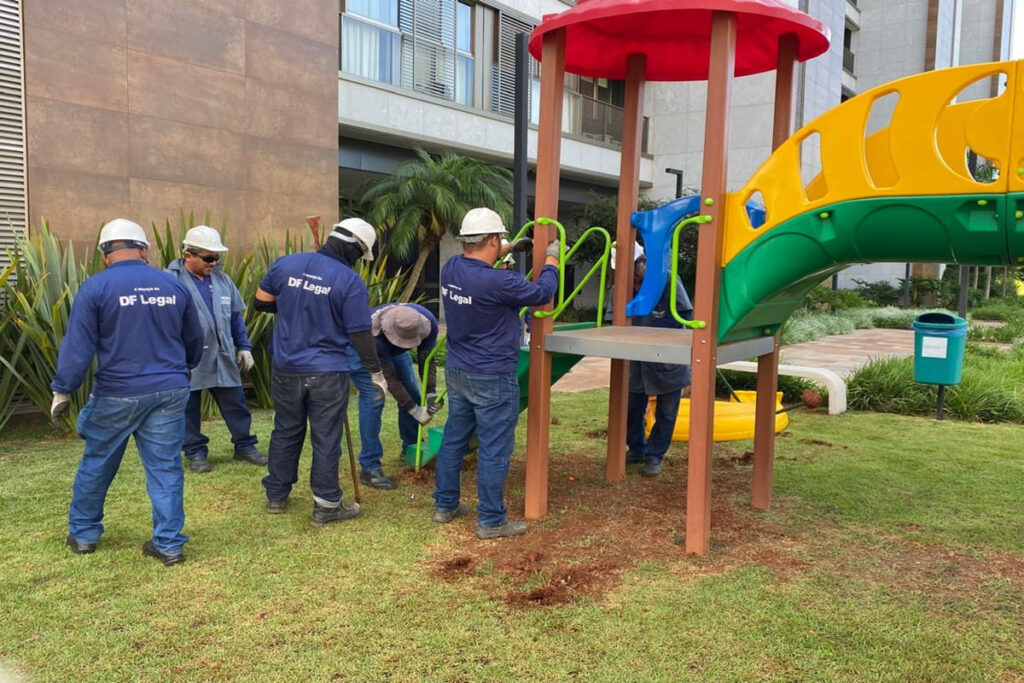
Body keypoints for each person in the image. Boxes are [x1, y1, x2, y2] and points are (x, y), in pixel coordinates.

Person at [52, 219, 204, 566]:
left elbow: (78, 347)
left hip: (118, 392)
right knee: (165, 468)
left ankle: (84, 535)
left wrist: (63, 389)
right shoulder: (174, 284)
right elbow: (194, 337)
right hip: (171, 389)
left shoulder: (95, 288)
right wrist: (186, 367)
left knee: (98, 461)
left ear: (105, 252)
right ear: (144, 249)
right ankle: (169, 545)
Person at [432, 207, 559, 539]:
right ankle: (491, 520)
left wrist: (510, 246)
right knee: (494, 448)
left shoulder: (451, 268)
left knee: (454, 439)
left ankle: (445, 505)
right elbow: (543, 294)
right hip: (492, 376)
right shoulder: (501, 281)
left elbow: (483, 256)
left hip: (458, 370)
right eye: (500, 238)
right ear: (490, 239)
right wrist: (552, 260)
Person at [254, 218, 387, 526]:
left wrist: (294, 306)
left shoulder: (285, 264)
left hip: (287, 368)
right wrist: (375, 371)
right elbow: (360, 333)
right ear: (354, 248)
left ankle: (276, 494)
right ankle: (327, 505)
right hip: (328, 371)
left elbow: (261, 303)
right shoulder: (349, 281)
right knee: (326, 437)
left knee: (286, 430)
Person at [166, 226, 266, 473]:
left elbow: (235, 317)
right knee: (188, 408)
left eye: (216, 257)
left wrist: (244, 347)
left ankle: (244, 445)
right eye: (208, 257)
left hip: (222, 355)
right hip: (187, 359)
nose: (214, 262)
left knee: (236, 403)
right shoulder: (169, 280)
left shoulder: (222, 280)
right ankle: (195, 452)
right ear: (189, 255)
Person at [347, 303, 441, 490]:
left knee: (413, 393)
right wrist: (414, 411)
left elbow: (426, 359)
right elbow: (388, 378)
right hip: (363, 351)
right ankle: (370, 466)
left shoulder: (427, 321)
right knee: (375, 399)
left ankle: (411, 447)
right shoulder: (373, 332)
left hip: (392, 351)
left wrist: (430, 392)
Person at [625, 253, 694, 477]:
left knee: (666, 412)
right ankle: (636, 448)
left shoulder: (667, 280)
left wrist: (655, 324)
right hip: (638, 358)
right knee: (632, 407)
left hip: (668, 358)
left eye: (639, 274)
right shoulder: (624, 284)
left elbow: (684, 314)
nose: (636, 281)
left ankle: (654, 456)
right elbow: (613, 317)